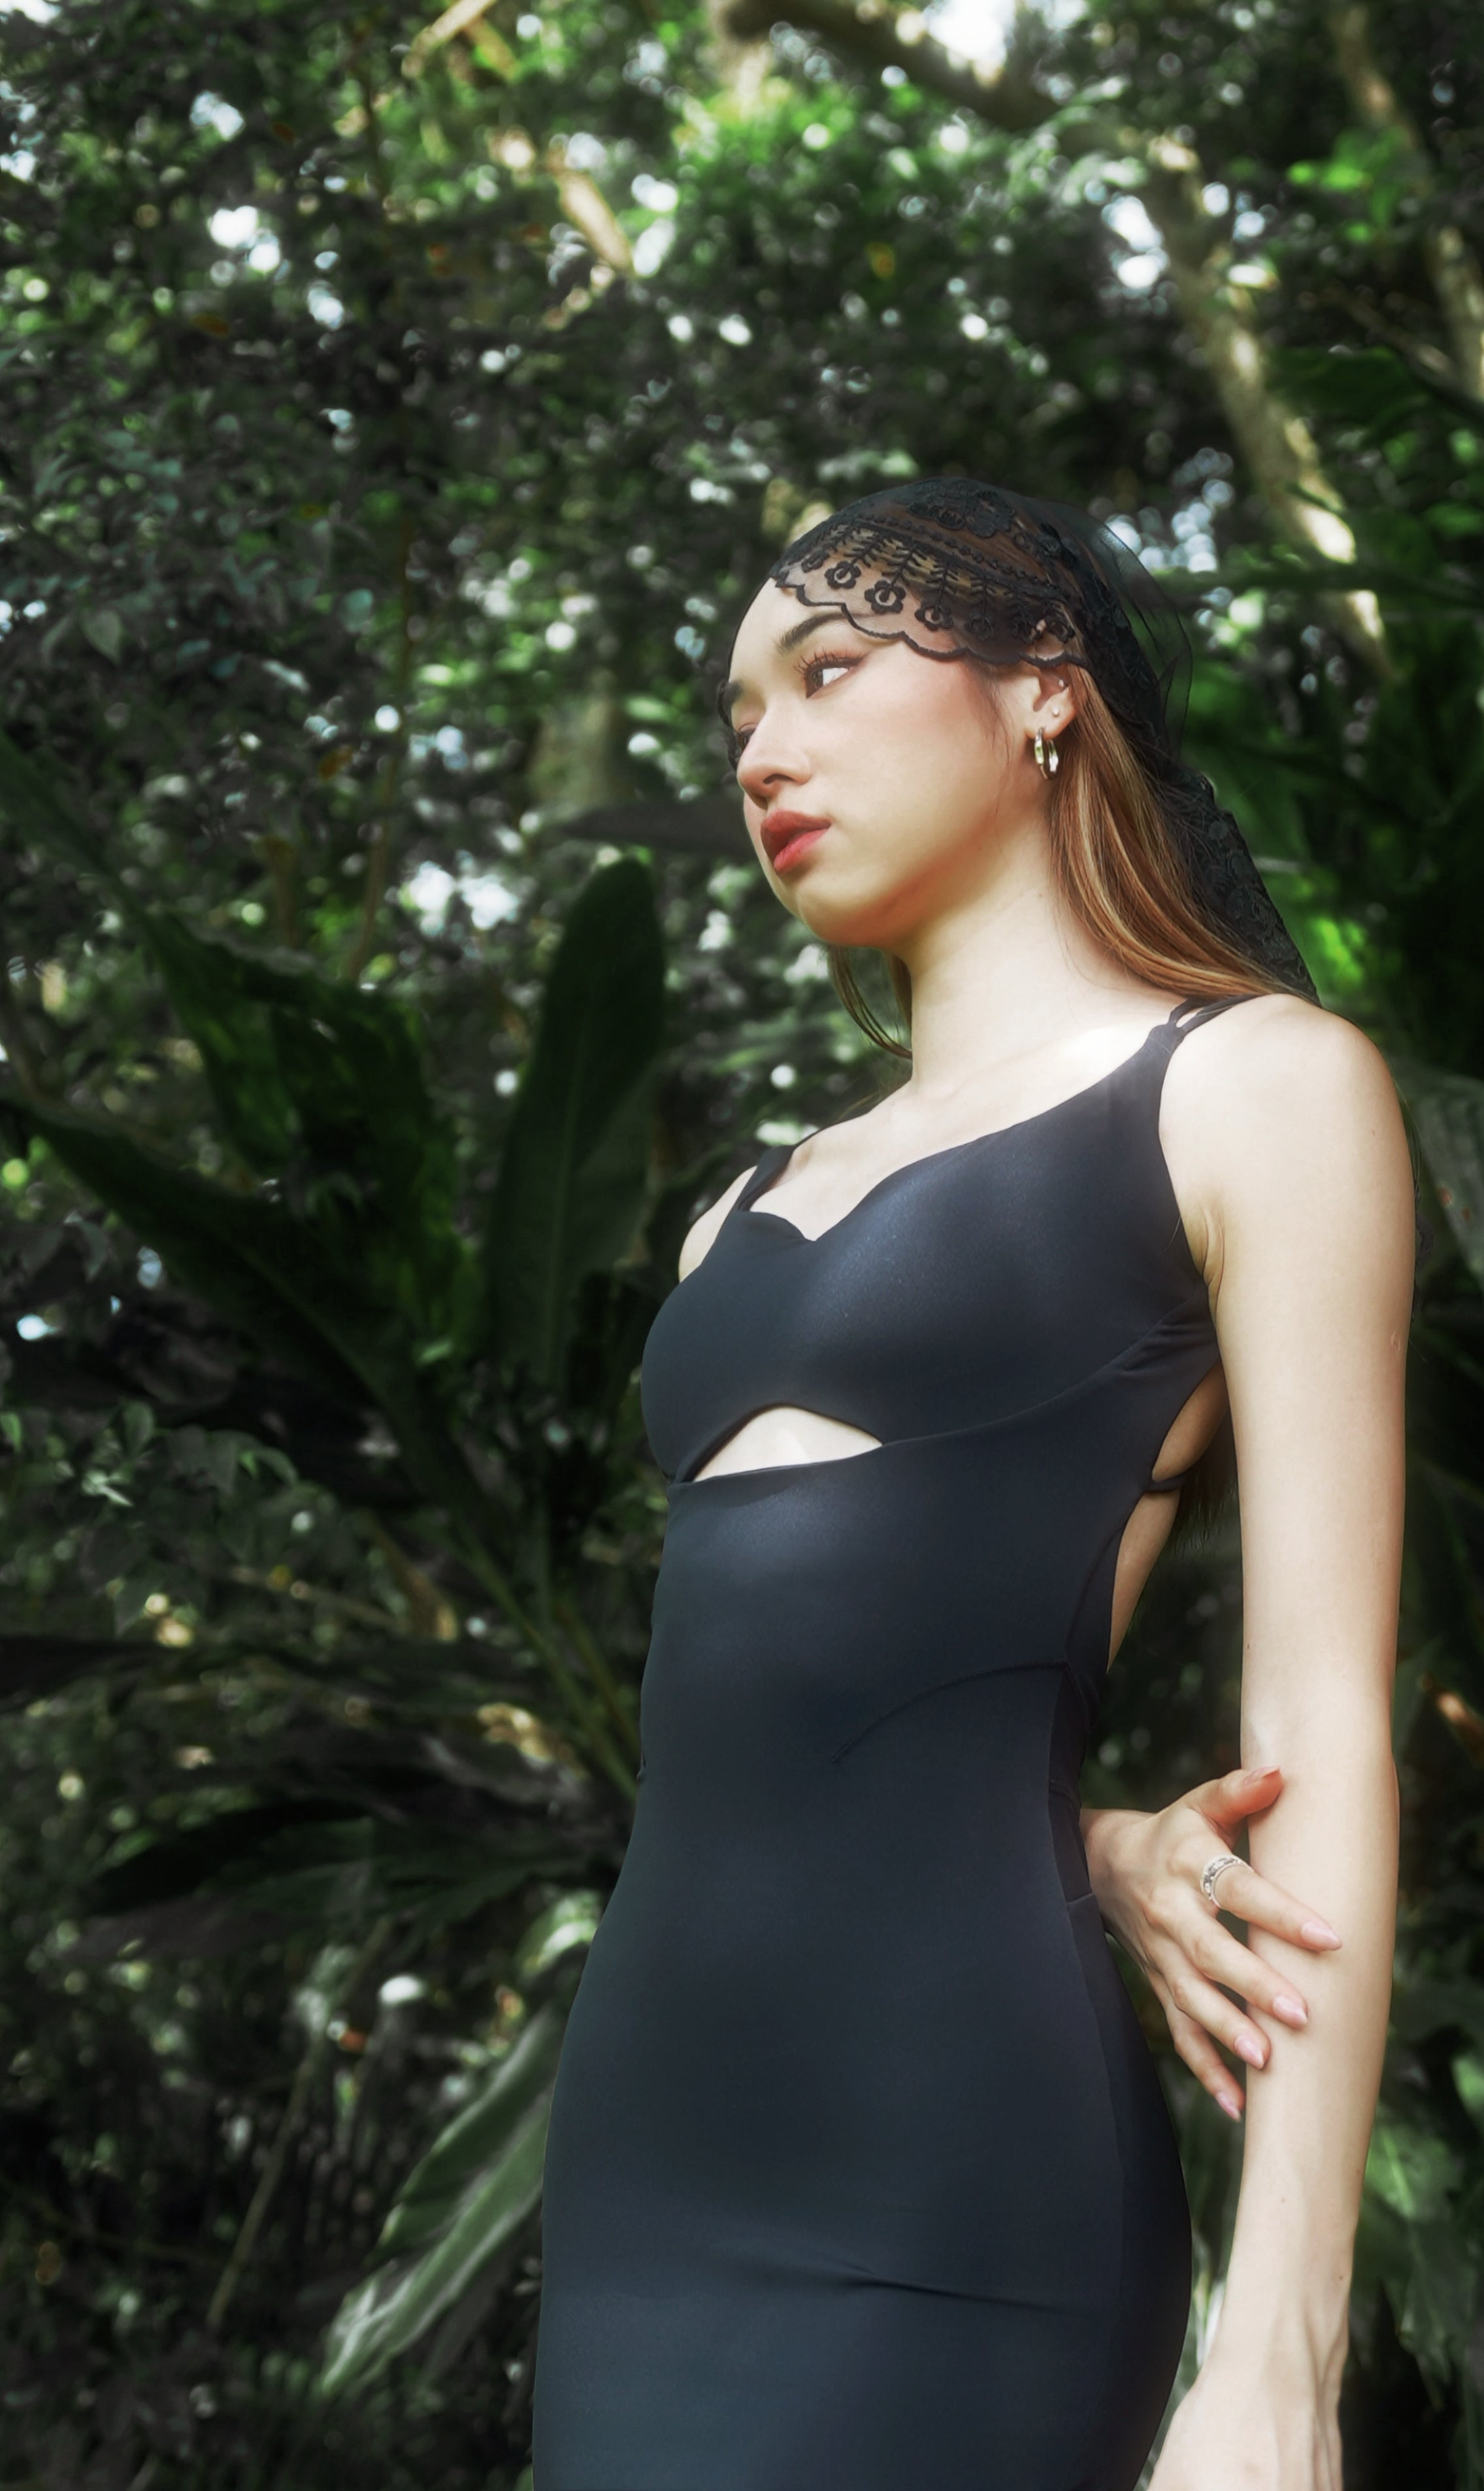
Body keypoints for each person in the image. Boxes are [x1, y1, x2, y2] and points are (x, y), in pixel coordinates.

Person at [533, 477, 1413, 2491]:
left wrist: (1280, 2364)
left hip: (961, 2176)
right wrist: (1091, 1844)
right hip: (646, 2175)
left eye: (829, 672)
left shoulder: (1256, 1088)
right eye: (739, 714)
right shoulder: (733, 1219)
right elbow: (822, 1722)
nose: (765, 751)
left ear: (1044, 690)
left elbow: (1322, 1730)